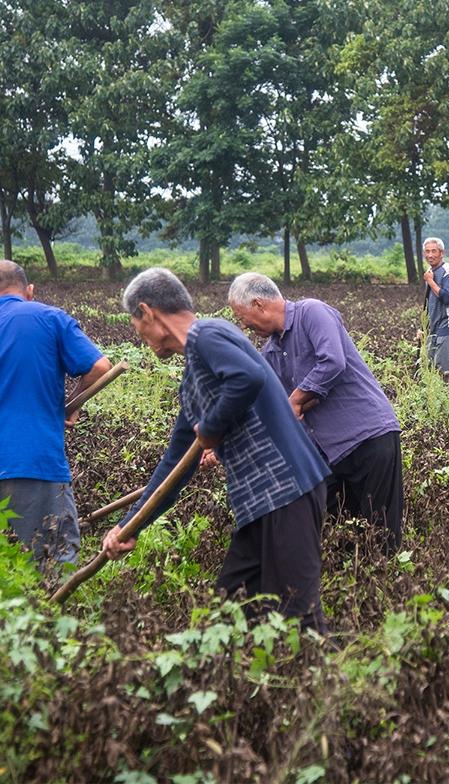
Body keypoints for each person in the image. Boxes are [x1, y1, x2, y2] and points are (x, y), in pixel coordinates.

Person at [103, 268, 331, 631]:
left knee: (298, 618)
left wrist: (210, 429)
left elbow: (248, 377)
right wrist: (129, 525)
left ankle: (330, 682)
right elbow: (174, 467)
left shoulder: (208, 333)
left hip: (288, 491)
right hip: (258, 505)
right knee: (232, 612)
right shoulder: (193, 380)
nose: (141, 337)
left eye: (137, 326)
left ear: (148, 312)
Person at [0, 260, 112, 570]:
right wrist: (74, 403)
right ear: (30, 291)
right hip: (32, 458)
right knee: (51, 560)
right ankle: (48, 618)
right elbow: (99, 368)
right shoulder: (50, 318)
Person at [227, 273, 404, 553]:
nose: (243, 325)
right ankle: (352, 592)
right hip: (328, 453)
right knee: (338, 532)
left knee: (381, 532)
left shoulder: (312, 312)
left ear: (259, 305)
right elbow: (261, 404)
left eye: (241, 316)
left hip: (369, 438)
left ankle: (388, 587)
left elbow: (333, 361)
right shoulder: (270, 353)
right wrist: (220, 442)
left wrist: (294, 402)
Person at [422, 237, 449, 373]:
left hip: (447, 327)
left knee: (443, 372)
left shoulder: (448, 270)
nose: (430, 255)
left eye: (434, 251)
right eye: (427, 252)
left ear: (442, 253)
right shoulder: (430, 272)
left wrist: (431, 282)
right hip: (432, 329)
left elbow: (447, 297)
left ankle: (446, 394)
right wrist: (423, 327)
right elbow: (428, 303)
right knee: (428, 370)